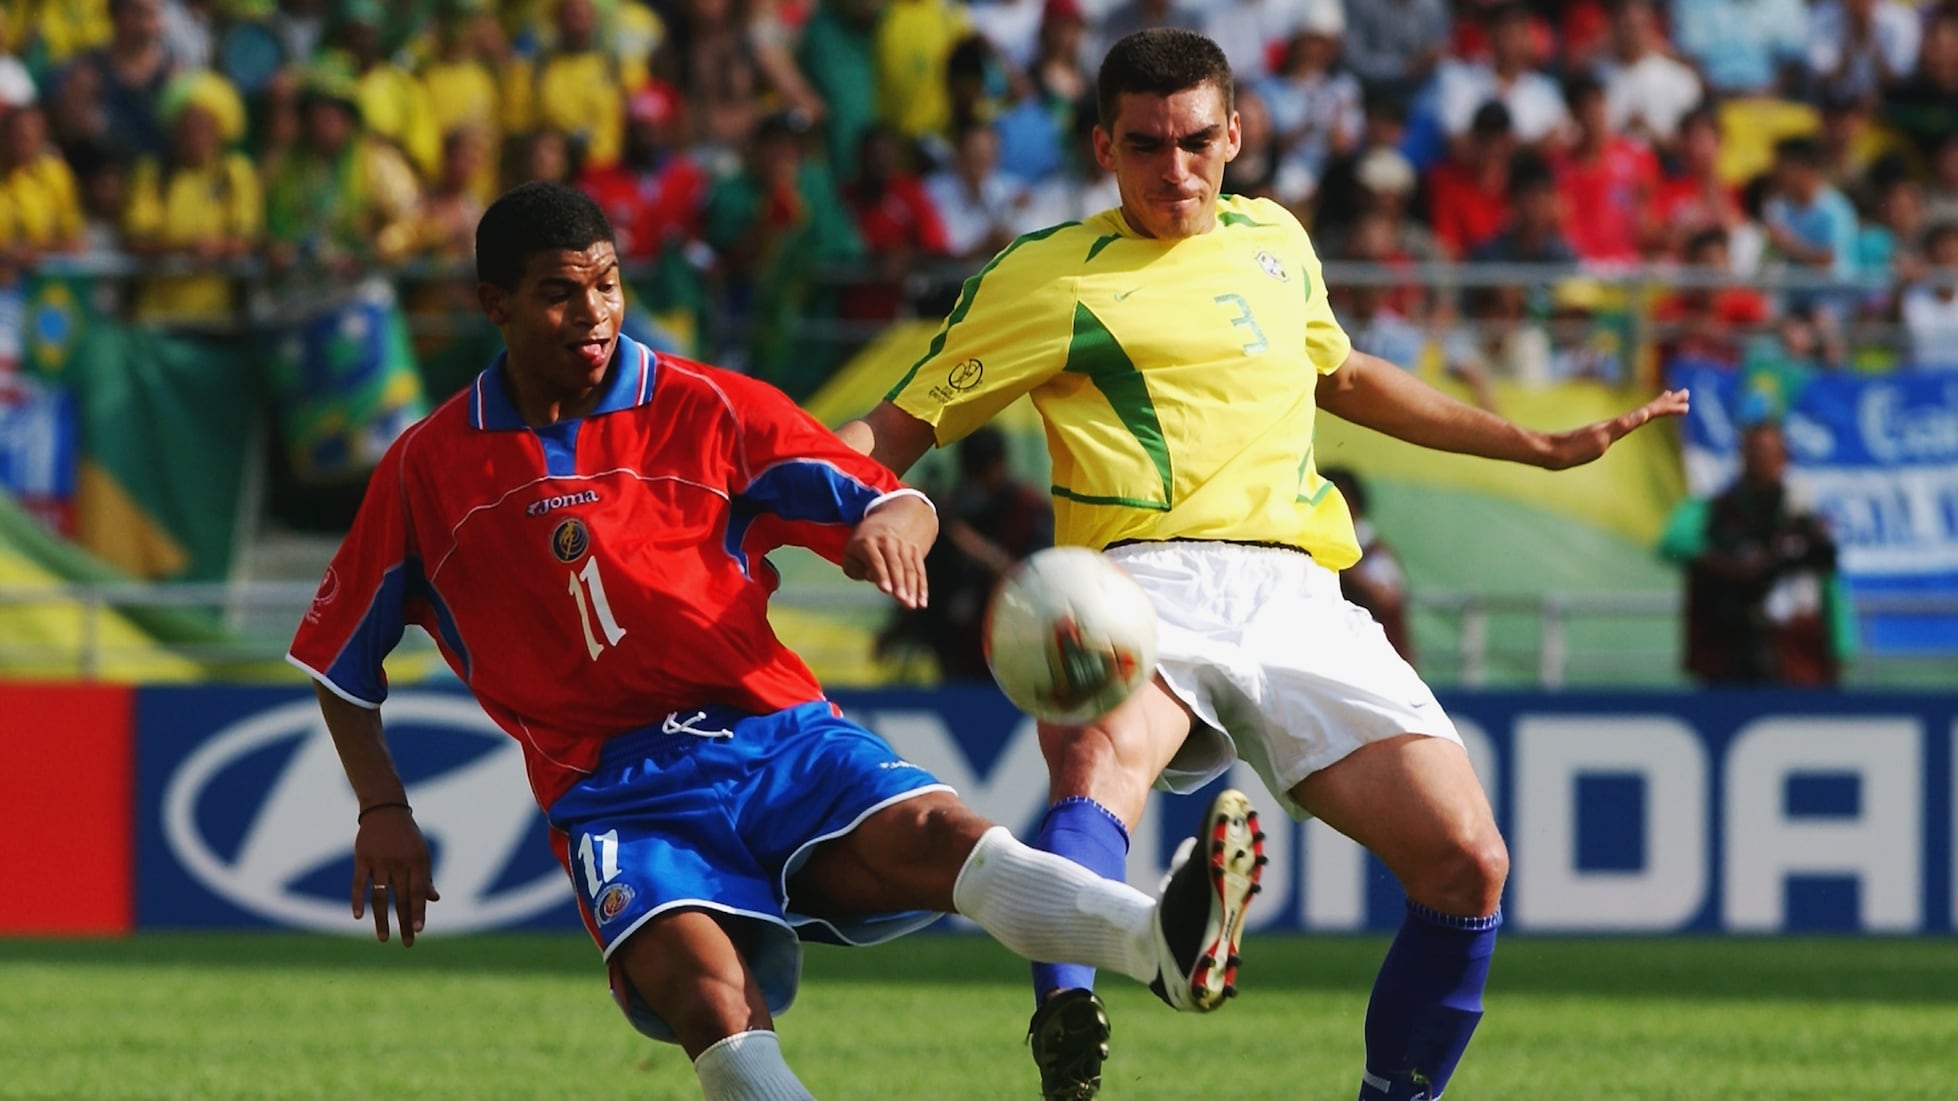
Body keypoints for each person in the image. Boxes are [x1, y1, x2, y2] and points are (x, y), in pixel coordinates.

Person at [838, 29, 1690, 1101]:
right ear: (1103, 145)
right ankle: (1065, 1011)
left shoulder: (1277, 242)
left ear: (1235, 133)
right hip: (1134, 584)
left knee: (1466, 862)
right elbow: (893, 423)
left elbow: (1344, 376)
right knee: (1096, 770)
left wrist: (1529, 441)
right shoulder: (1044, 275)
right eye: (1144, 144)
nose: (1174, 168)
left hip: (1296, 592)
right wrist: (838, 500)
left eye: (1196, 140)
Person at [285, 180, 1264, 1101]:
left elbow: (889, 493)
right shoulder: (426, 468)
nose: (593, 313)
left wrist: (892, 525)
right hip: (613, 791)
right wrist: (380, 808)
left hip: (775, 734)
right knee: (713, 1009)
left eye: (607, 284)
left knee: (942, 837)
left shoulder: (707, 406)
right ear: (493, 304)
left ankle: (1158, 943)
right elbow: (340, 660)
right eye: (559, 294)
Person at [1661, 420, 1841, 686]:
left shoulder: (1803, 519)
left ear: (1783, 458)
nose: (1759, 461)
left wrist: (1840, 648)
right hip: (1729, 656)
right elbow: (1672, 543)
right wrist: (1733, 568)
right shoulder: (1718, 511)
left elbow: (1828, 582)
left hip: (1796, 663)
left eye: (1767, 454)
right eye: (1752, 452)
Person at [1320, 466, 1413, 665]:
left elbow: (1387, 597)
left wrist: (1347, 571)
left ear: (1352, 505)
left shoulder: (1373, 552)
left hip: (1373, 662)